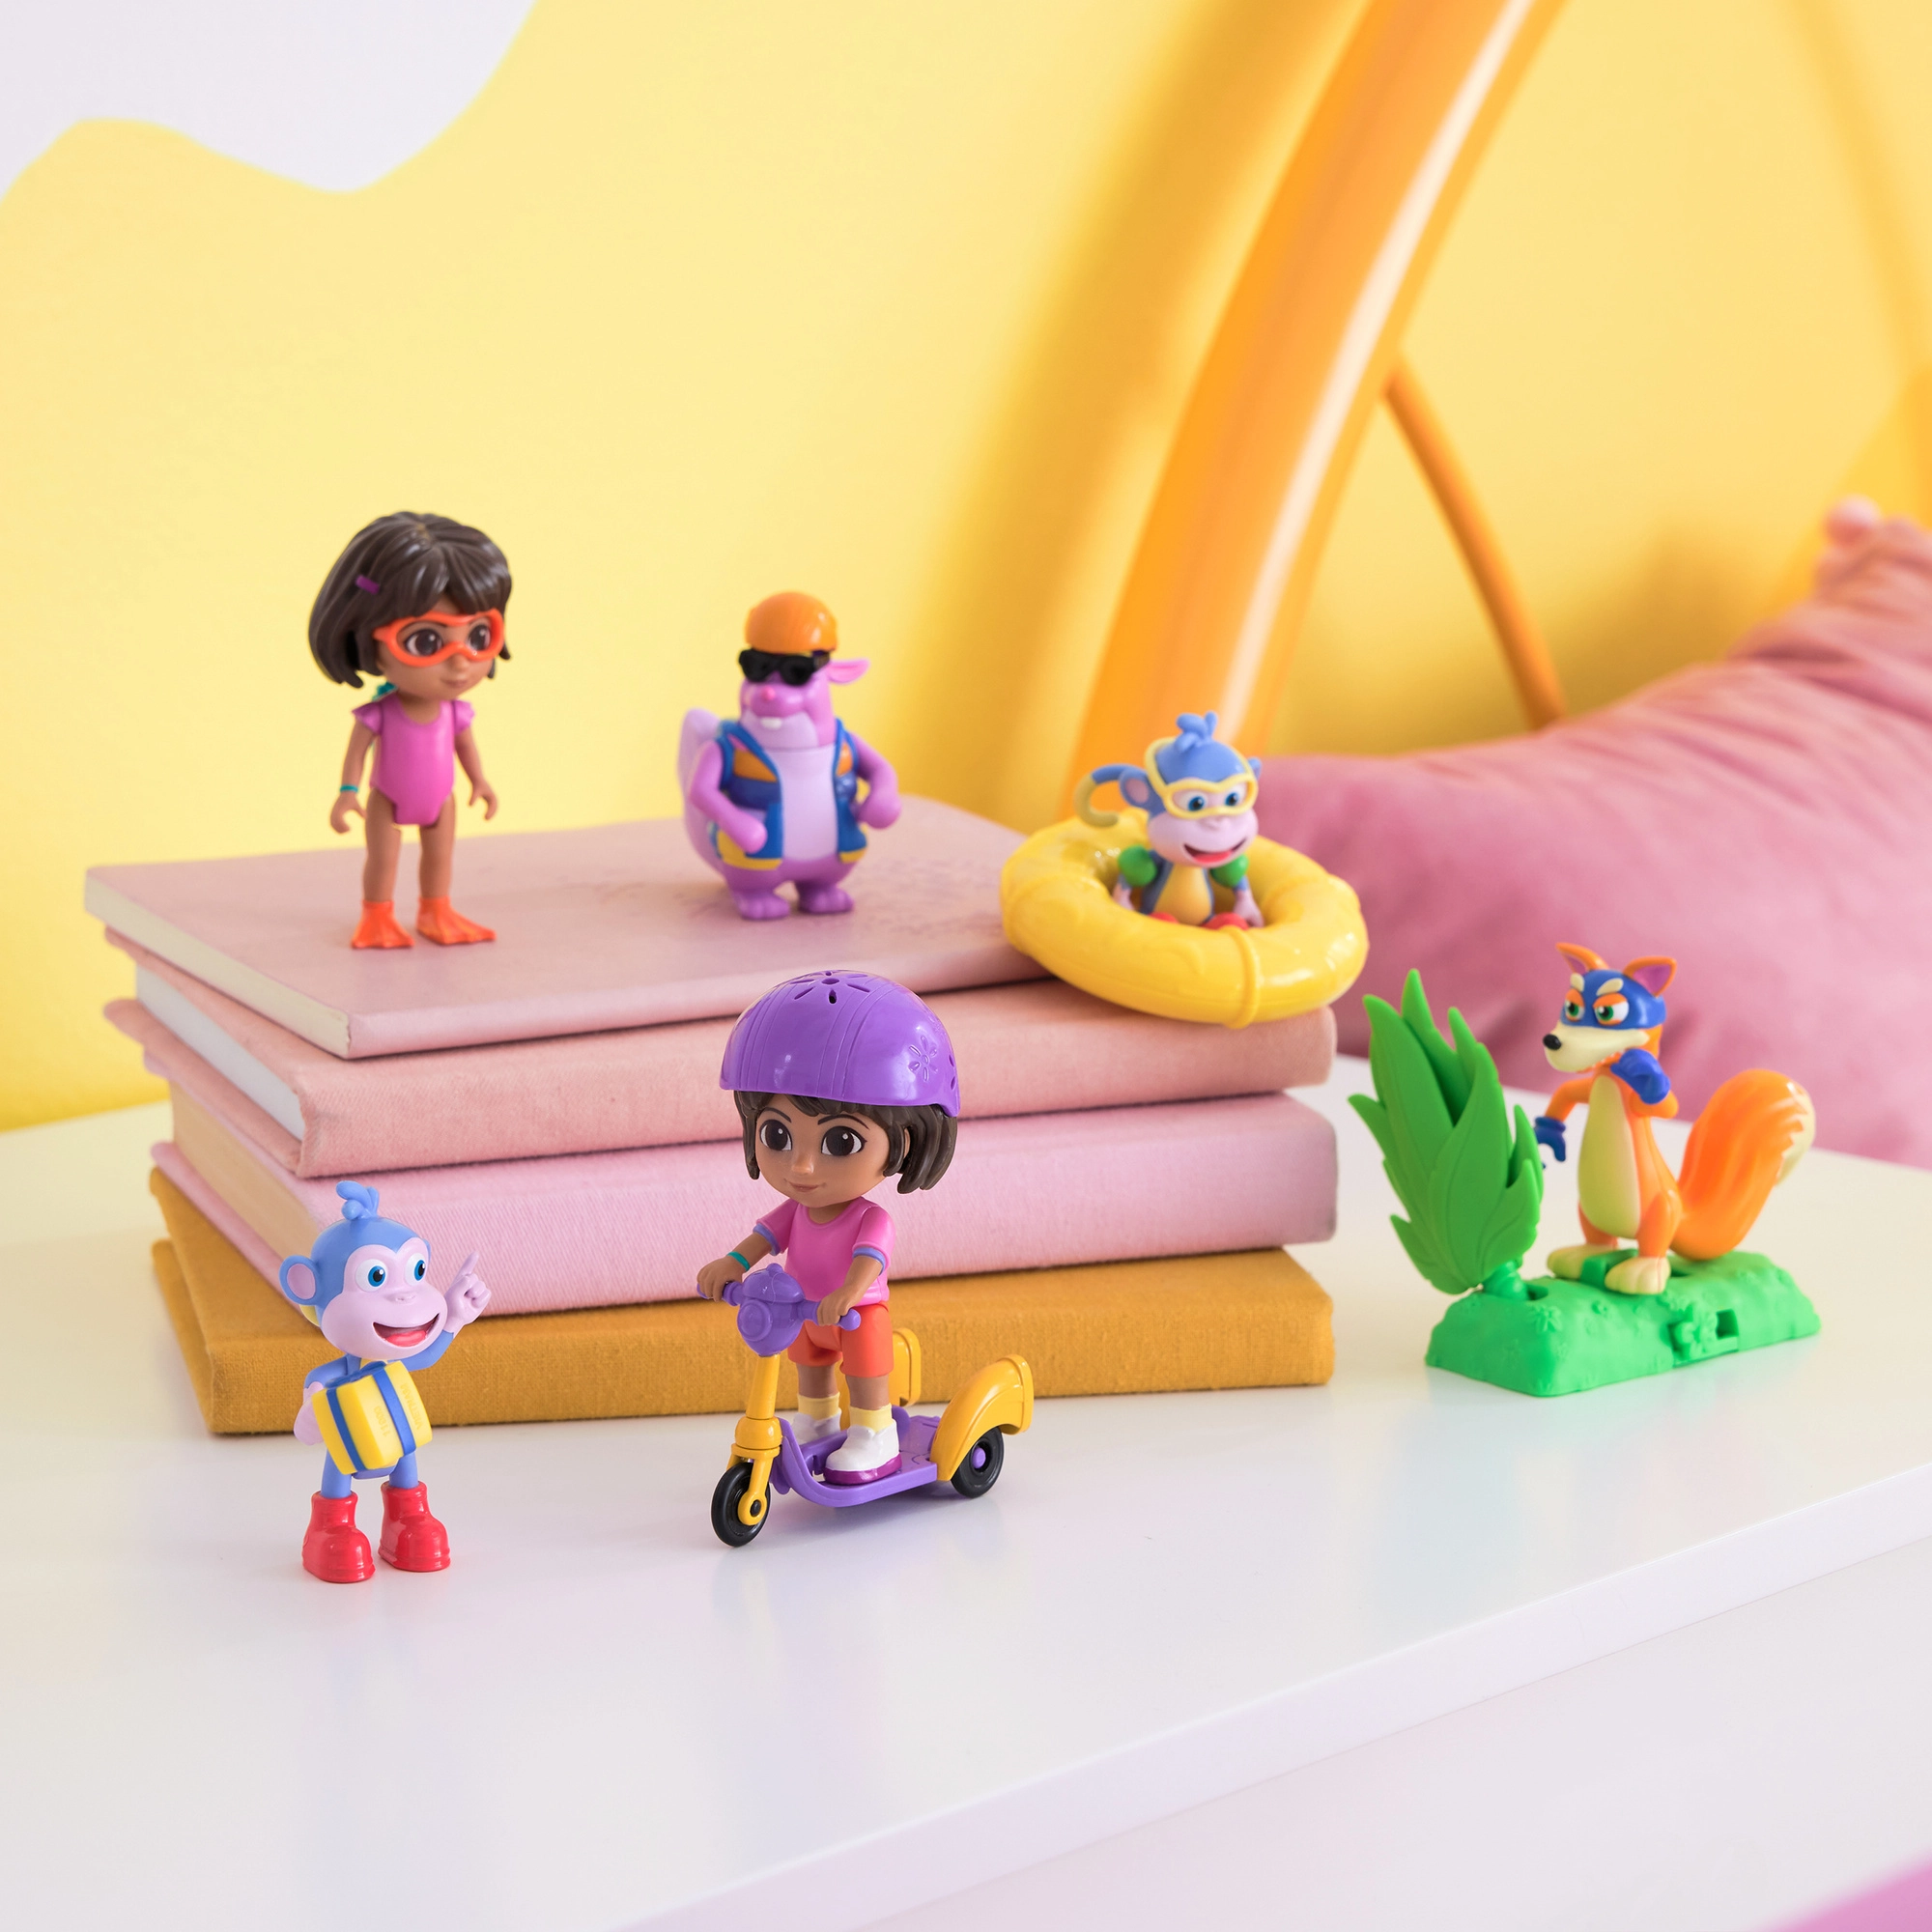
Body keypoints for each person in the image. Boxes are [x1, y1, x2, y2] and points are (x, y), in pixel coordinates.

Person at [696, 971, 959, 1483]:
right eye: (777, 1135)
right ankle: (818, 1423)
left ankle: (875, 1432)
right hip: (802, 1310)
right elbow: (764, 1239)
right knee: (810, 1368)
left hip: (855, 1314)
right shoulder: (795, 1210)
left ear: (904, 1142)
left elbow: (869, 1259)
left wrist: (848, 1293)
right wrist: (732, 1263)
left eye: (841, 1142)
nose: (802, 1167)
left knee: (864, 1371)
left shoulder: (870, 1217)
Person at [309, 511, 512, 948]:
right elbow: (357, 754)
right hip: (387, 801)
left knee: (440, 857)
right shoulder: (380, 714)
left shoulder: (455, 712)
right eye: (426, 641)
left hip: (442, 801)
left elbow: (465, 747)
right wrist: (347, 793)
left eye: (478, 636)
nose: (460, 663)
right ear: (368, 637)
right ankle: (377, 915)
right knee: (383, 860)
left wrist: (480, 781)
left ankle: (436, 909)